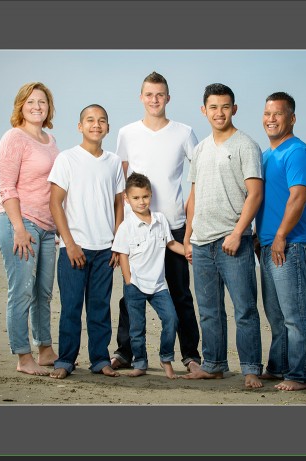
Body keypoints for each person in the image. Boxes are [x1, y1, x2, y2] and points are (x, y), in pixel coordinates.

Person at [110, 72, 201, 372]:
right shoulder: (126, 133)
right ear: (141, 97)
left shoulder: (184, 132)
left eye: (160, 94)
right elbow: (122, 186)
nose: (154, 100)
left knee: (179, 294)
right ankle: (125, 352)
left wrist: (188, 230)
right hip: (136, 230)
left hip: (172, 227)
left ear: (168, 98)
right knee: (131, 293)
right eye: (149, 94)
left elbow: (198, 178)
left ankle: (190, 355)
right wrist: (119, 232)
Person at [181, 83, 264, 388]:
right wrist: (189, 236)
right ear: (204, 110)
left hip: (233, 243)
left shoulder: (246, 145)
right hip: (202, 243)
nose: (219, 113)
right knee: (209, 311)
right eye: (213, 107)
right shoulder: (200, 148)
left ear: (234, 109)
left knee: (244, 309)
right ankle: (214, 364)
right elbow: (193, 195)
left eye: (225, 106)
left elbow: (255, 194)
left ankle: (252, 368)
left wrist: (238, 233)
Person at [47, 104, 124, 379]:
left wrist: (118, 244)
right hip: (74, 248)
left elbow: (119, 206)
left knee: (100, 308)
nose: (96, 124)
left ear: (107, 127)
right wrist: (69, 243)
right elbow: (55, 203)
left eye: (102, 120)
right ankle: (65, 360)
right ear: (80, 126)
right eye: (90, 120)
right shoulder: (67, 159)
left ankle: (99, 359)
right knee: (70, 308)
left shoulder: (114, 162)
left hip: (105, 249)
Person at [0, 82, 59, 376]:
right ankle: (23, 356)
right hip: (19, 224)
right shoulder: (13, 138)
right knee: (21, 292)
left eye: (42, 102)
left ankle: (44, 349)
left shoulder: (50, 139)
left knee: (43, 292)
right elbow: (7, 187)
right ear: (20, 105)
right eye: (31, 102)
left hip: (46, 228)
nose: (37, 107)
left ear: (49, 107)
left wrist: (56, 227)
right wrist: (19, 228)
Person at [255, 92, 306, 391]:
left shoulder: (298, 152)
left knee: (295, 315)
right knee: (276, 315)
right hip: (268, 245)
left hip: (293, 244)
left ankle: (301, 375)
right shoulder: (266, 156)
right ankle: (278, 367)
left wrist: (280, 235)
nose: (271, 119)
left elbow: (298, 197)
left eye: (278, 113)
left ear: (291, 118)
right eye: (267, 113)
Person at [112, 173, 185, 378]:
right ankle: (140, 363)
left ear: (150, 195)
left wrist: (189, 252)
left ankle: (166, 359)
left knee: (171, 319)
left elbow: (170, 244)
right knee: (137, 328)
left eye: (145, 196)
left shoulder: (160, 220)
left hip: (159, 285)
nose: (141, 202)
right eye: (135, 198)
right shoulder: (126, 227)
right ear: (127, 199)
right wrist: (128, 280)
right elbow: (123, 255)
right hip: (135, 284)